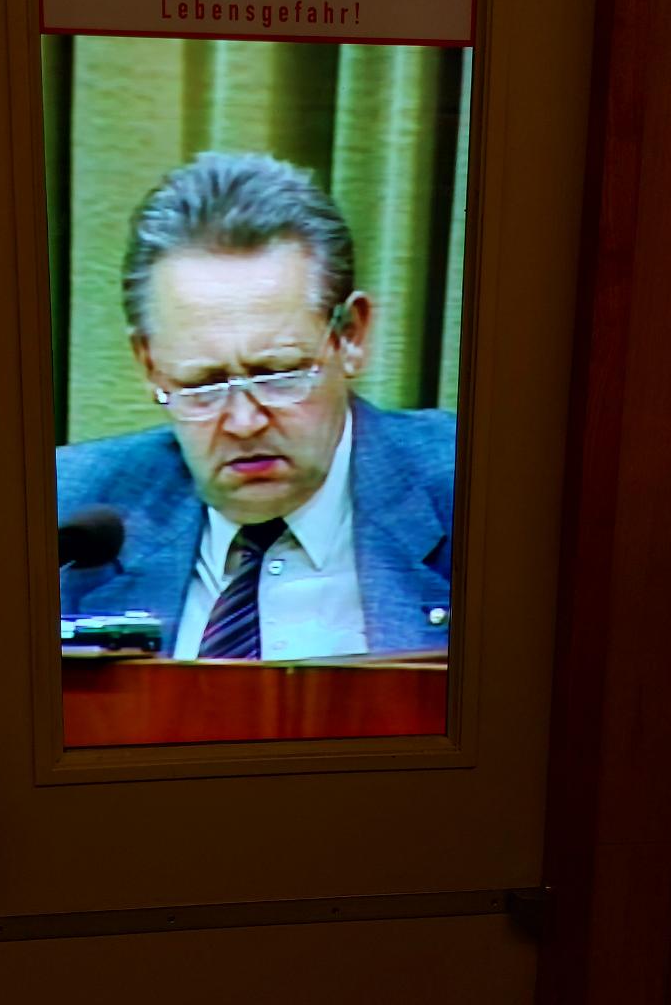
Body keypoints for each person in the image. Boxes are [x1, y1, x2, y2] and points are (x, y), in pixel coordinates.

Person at [57, 152, 455, 660]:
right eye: (203, 383)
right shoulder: (65, 516)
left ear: (350, 337)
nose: (244, 423)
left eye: (279, 373)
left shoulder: (476, 494)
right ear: (150, 364)